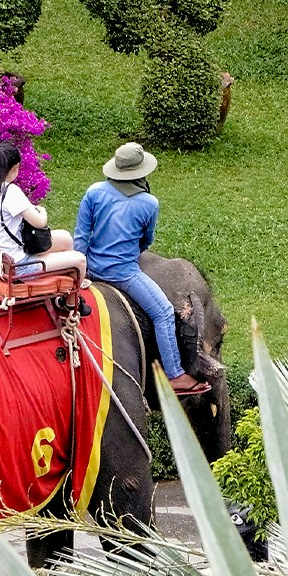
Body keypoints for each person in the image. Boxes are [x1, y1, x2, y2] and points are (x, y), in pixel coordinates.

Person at [74, 142, 210, 397]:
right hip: (123, 273)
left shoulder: (94, 192)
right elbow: (146, 240)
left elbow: (81, 237)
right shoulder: (148, 203)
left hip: (91, 267)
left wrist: (81, 270)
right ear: (140, 172)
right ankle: (175, 375)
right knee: (163, 312)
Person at [0, 143, 86, 283]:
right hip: (16, 266)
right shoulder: (11, 192)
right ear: (15, 167)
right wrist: (42, 211)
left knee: (66, 238)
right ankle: (70, 303)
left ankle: (60, 286)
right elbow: (39, 222)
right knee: (79, 260)